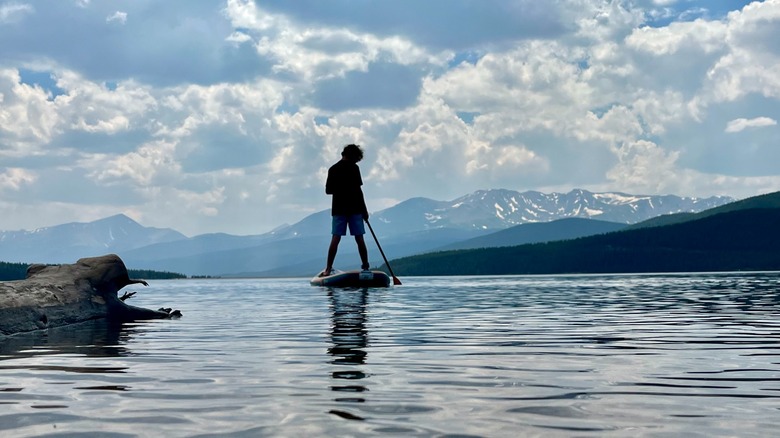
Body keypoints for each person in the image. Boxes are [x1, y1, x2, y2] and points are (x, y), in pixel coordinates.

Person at [321, 144, 370, 276]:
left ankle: (328, 269)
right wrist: (364, 211)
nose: (356, 161)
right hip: (352, 209)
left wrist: (364, 211)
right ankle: (365, 267)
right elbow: (359, 191)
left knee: (336, 238)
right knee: (359, 238)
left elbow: (328, 190)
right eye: (356, 158)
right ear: (352, 155)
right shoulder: (353, 168)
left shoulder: (334, 169)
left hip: (340, 209)